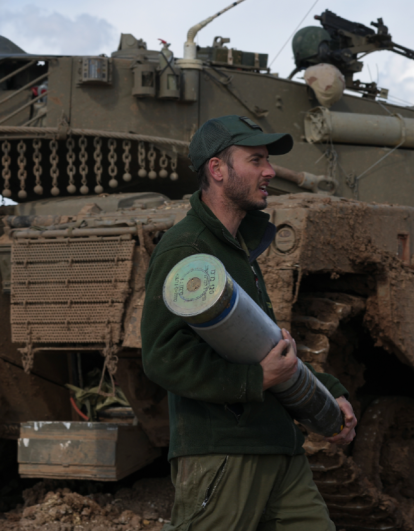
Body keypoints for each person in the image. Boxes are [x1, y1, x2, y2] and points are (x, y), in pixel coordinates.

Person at [141, 115, 357, 531]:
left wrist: (330, 398)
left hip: (277, 446)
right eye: (256, 160)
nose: (270, 171)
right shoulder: (188, 249)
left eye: (268, 161)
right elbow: (162, 357)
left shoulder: (237, 250)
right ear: (217, 169)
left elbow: (268, 349)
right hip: (225, 450)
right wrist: (255, 380)